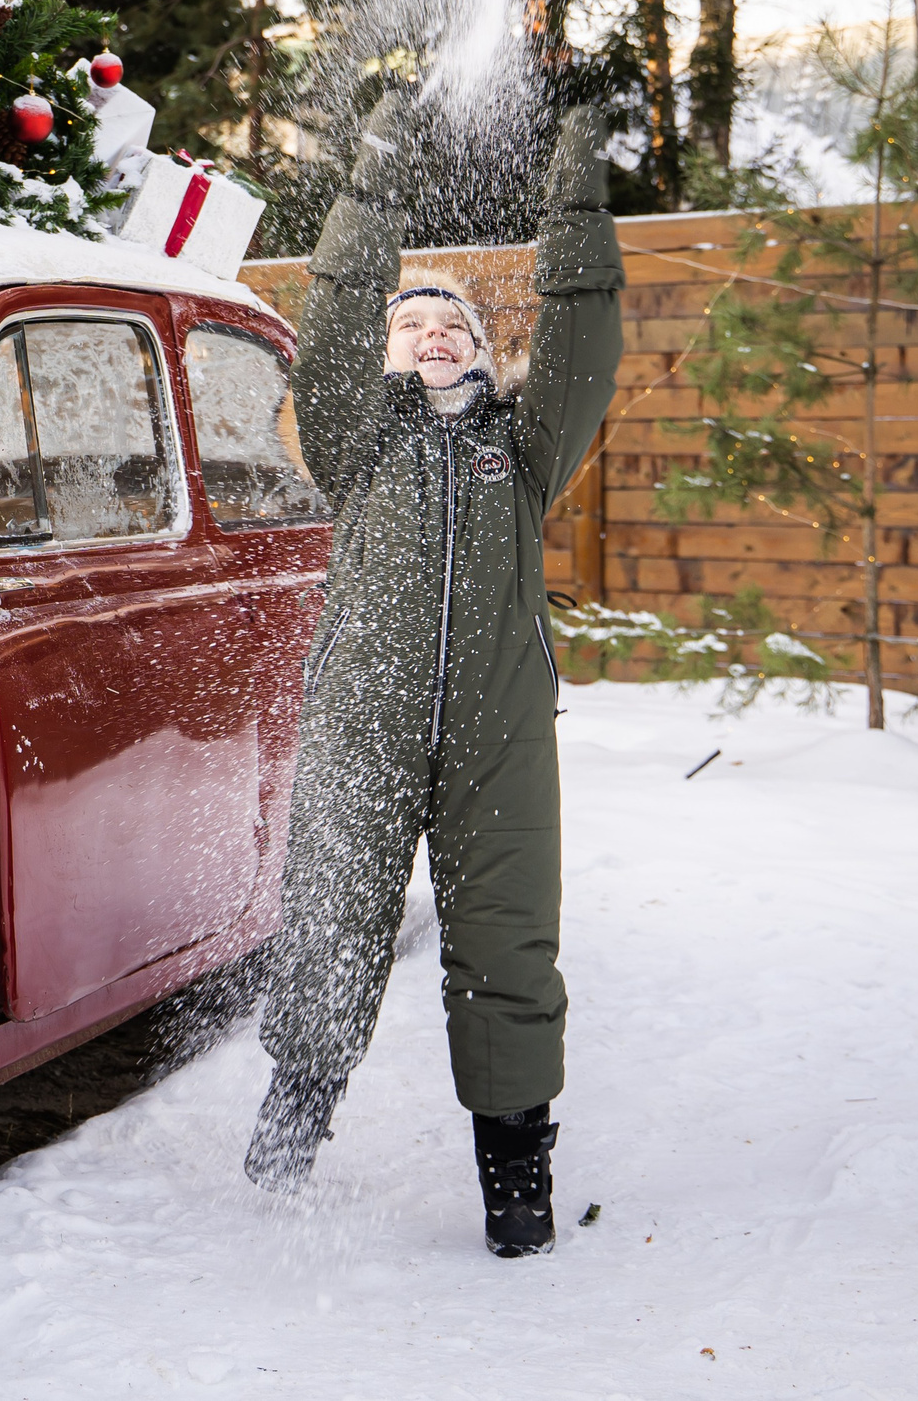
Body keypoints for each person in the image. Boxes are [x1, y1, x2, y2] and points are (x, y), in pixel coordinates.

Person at [245, 93, 624, 1259]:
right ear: (382, 350)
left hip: (498, 732)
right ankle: (292, 1120)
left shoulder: (524, 449)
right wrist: (373, 177)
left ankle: (516, 1171)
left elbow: (583, 337)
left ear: (482, 344)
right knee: (332, 917)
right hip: (365, 716)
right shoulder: (353, 436)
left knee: (509, 940)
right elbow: (341, 302)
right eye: (411, 322)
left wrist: (578, 189)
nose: (432, 330)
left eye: (452, 317)